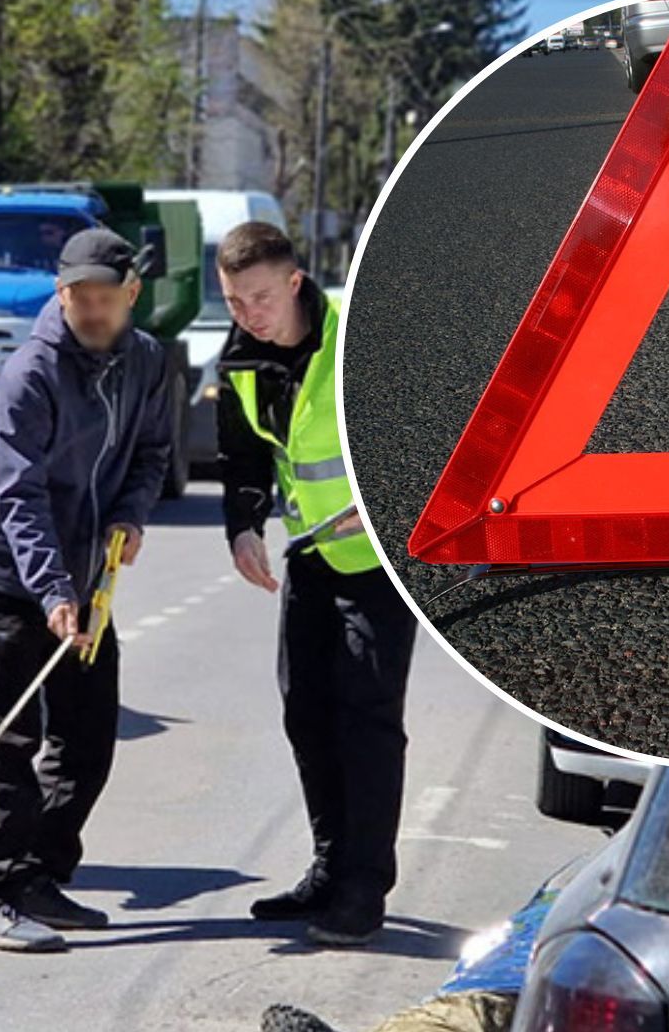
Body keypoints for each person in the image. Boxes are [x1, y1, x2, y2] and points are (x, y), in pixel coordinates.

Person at [0, 228, 172, 953]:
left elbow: (152, 453)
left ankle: (39, 875)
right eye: (78, 297)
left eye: (105, 298)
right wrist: (51, 591)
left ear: (132, 294)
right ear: (61, 291)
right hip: (7, 584)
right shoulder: (30, 373)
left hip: (88, 581)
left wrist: (129, 517)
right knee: (11, 741)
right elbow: (19, 496)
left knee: (87, 741)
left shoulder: (146, 361)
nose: (91, 310)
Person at [215, 221, 418, 948]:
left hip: (379, 567)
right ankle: (329, 870)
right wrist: (241, 524)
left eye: (260, 298)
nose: (249, 315)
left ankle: (364, 889)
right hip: (309, 558)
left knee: (366, 722)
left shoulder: (357, 344)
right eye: (235, 301)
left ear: (296, 282)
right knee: (307, 713)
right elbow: (241, 459)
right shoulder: (239, 358)